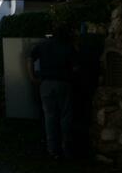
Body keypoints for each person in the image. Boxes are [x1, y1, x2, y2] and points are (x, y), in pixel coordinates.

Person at [28, 23, 78, 159]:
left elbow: (31, 57)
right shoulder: (69, 47)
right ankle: (66, 149)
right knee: (66, 116)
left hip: (46, 84)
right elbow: (75, 68)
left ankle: (53, 150)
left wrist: (32, 76)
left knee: (49, 117)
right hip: (64, 83)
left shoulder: (43, 45)